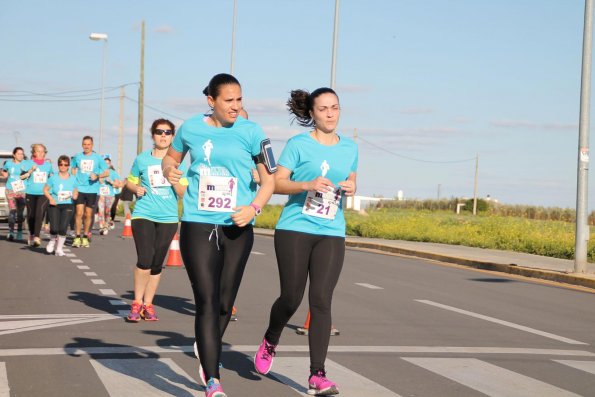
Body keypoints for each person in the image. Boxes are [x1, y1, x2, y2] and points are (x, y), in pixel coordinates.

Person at [162, 73, 276, 397]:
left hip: (238, 226)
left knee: (226, 304)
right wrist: (173, 175)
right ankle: (213, 381)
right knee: (207, 302)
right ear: (211, 101)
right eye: (229, 100)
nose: (236, 107)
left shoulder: (252, 132)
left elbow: (270, 181)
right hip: (198, 223)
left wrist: (253, 208)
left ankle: (205, 346)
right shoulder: (190, 128)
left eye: (240, 100)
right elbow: (171, 160)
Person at [253, 88, 358, 396]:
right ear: (312, 113)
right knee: (291, 296)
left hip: (331, 230)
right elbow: (277, 183)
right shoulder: (299, 144)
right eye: (323, 108)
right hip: (296, 227)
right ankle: (271, 339)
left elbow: (351, 180)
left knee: (322, 300)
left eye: (335, 108)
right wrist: (307, 184)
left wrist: (351, 187)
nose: (330, 113)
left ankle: (317, 374)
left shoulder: (350, 147)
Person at [125, 119, 187, 323]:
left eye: (168, 132)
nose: (163, 135)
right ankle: (136, 302)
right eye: (159, 132)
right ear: (152, 135)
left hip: (168, 217)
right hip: (143, 213)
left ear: (172, 136)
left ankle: (148, 305)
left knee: (156, 263)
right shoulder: (142, 159)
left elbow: (183, 192)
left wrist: (173, 180)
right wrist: (136, 189)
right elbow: (130, 182)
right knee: (144, 259)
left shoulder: (178, 163)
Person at [71, 136, 109, 248]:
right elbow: (73, 168)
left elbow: (107, 172)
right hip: (79, 188)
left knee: (88, 214)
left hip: (92, 190)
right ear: (82, 145)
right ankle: (77, 236)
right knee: (78, 213)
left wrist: (97, 175)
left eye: (88, 144)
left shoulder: (97, 158)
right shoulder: (77, 156)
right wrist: (74, 183)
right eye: (84, 144)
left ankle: (86, 236)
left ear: (92, 145)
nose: (86, 146)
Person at [43, 155, 78, 256]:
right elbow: (45, 190)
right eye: (60, 164)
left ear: (68, 166)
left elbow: (75, 190)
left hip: (68, 205)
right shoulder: (53, 178)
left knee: (63, 228)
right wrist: (51, 199)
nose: (63, 166)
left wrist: (75, 195)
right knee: (54, 228)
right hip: (55, 205)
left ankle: (59, 249)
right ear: (58, 165)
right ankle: (52, 241)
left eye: (65, 164)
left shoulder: (73, 178)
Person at [21, 144, 54, 247]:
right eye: (38, 151)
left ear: (45, 153)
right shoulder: (27, 163)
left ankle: (37, 236)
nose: (40, 153)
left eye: (42, 151)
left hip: (43, 194)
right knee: (31, 216)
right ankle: (31, 234)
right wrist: (30, 170)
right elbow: (21, 177)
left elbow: (52, 179)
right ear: (34, 153)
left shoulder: (48, 165)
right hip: (30, 193)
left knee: (39, 214)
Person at [1, 147, 28, 241]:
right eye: (19, 154)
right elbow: (4, 175)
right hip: (10, 190)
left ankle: (19, 231)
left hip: (22, 191)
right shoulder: (8, 164)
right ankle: (11, 231)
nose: (21, 155)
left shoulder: (26, 163)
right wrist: (1, 171)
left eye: (22, 154)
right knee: (12, 210)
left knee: (20, 214)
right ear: (14, 154)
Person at [98, 155, 123, 235]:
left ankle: (107, 224)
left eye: (108, 163)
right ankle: (102, 227)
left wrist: (111, 182)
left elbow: (119, 184)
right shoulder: (99, 172)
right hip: (100, 194)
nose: (107, 165)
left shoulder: (113, 173)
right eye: (105, 164)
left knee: (107, 211)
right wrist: (98, 180)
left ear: (110, 164)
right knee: (101, 211)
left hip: (110, 195)